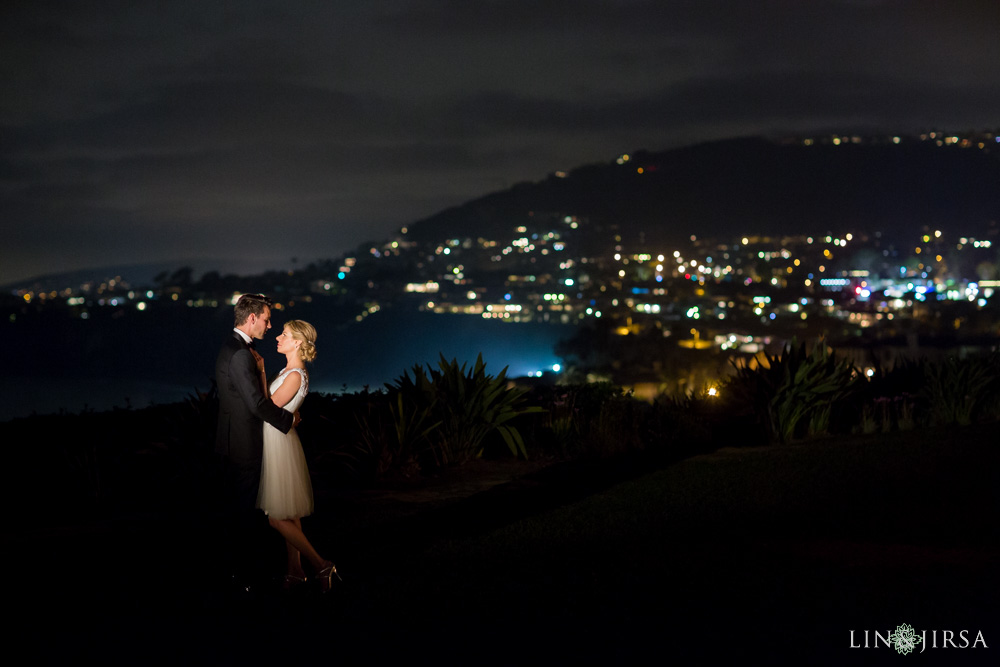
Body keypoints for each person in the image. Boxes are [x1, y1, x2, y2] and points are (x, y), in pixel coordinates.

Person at [215, 293, 297, 593]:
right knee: (244, 513)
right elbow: (255, 403)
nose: (269, 324)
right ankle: (245, 579)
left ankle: (242, 575)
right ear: (252, 319)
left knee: (239, 511)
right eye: (266, 319)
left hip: (232, 440)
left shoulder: (234, 348)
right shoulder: (239, 353)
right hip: (243, 444)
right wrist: (288, 422)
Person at [256, 319, 340, 592]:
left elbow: (266, 408)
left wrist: (259, 371)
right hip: (280, 440)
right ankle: (294, 570)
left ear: (298, 343)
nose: (278, 337)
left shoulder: (294, 375)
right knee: (288, 514)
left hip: (279, 444)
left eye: (285, 334)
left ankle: (321, 564)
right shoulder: (291, 370)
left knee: (276, 517)